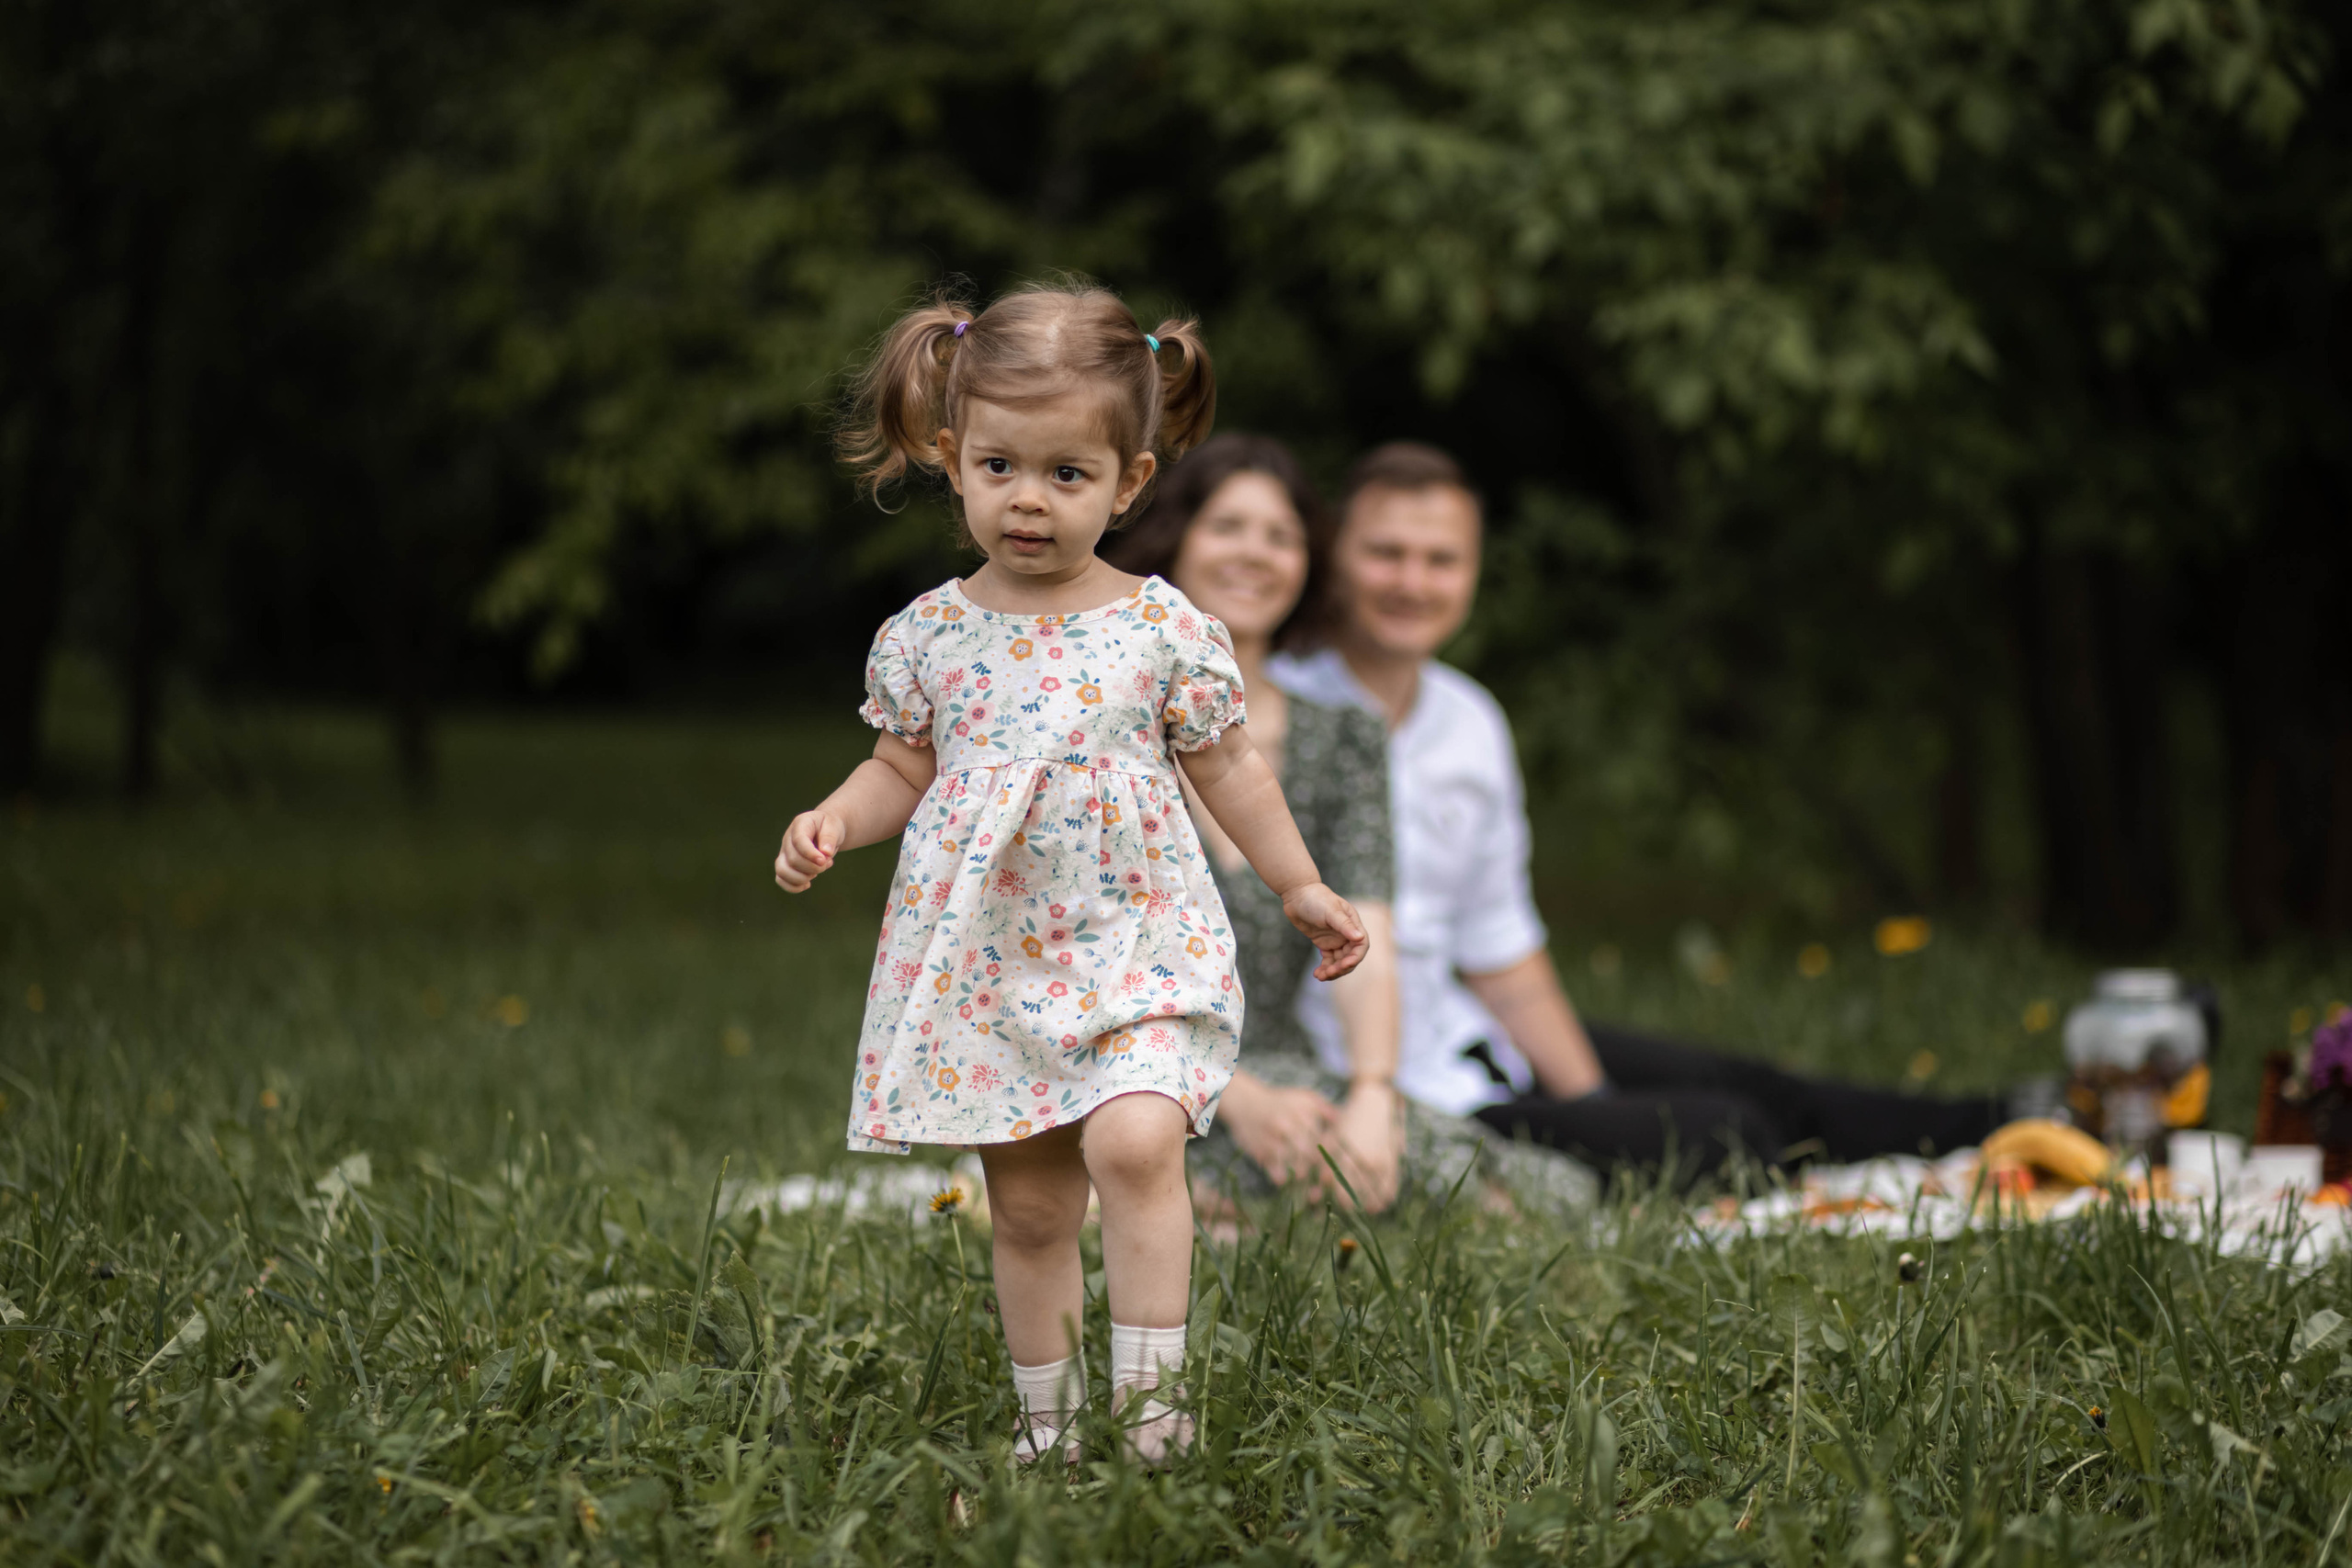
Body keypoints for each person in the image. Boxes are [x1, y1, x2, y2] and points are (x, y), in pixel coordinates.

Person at [772, 284, 1367, 1466]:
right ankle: (1046, 1425)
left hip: (1135, 939)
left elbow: (1231, 768)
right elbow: (901, 765)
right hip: (993, 959)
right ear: (952, 461)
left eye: (1066, 475)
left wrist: (1297, 883)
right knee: (1034, 1206)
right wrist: (834, 819)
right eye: (999, 466)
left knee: (1137, 1142)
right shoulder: (929, 635)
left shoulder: (1160, 628)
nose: (1028, 501)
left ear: (1130, 482)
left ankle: (1155, 1419)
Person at [1272, 441, 2007, 1183]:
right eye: (1386, 553)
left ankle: (2003, 1123)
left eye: (1442, 559)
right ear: (1334, 555)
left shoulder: (1470, 722)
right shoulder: (1270, 713)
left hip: (1467, 1033)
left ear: (1473, 571)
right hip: (1410, 1092)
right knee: (1733, 1132)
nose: (1412, 581)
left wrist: (1591, 1101)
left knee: (1739, 1079)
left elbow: (1502, 952)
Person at [1109, 433, 1596, 1218]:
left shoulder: (1343, 736)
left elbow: (1366, 920)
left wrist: (1373, 1094)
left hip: (1285, 1072)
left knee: (1540, 1197)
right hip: (1122, 1069)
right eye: (1229, 527)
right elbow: (1080, 960)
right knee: (1166, 1170)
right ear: (1176, 540)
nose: (1255, 554)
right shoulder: (1102, 732)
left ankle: (1216, 1203)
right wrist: (1239, 1100)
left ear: (1309, 566)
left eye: (1282, 536)